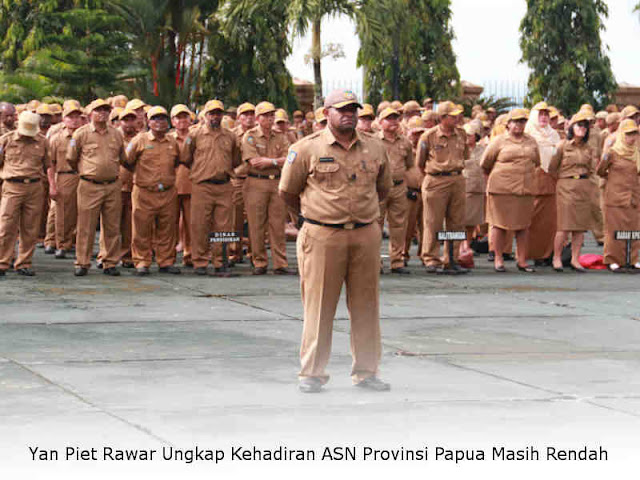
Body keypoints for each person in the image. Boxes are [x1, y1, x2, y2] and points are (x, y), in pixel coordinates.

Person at [279, 88, 392, 393]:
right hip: (322, 234)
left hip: (365, 234)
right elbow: (287, 192)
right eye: (341, 109)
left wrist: (368, 217)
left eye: (353, 109)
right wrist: (304, 221)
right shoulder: (306, 148)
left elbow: (384, 189)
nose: (349, 114)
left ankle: (367, 372)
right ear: (325, 113)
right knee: (319, 307)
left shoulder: (375, 147)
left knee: (366, 306)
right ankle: (312, 373)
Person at [67, 99, 127, 277]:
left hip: (112, 185)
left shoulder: (116, 134)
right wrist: (85, 172)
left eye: (106, 110)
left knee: (112, 226)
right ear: (90, 113)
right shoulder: (81, 134)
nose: (103, 113)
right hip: (89, 185)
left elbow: (123, 158)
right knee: (86, 226)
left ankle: (109, 262)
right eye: (98, 110)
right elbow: (71, 158)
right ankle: (82, 262)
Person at [182, 99, 242, 275]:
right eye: (212, 113)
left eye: (218, 113)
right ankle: (200, 262)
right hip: (202, 186)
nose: (215, 117)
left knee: (223, 228)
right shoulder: (194, 135)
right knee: (199, 225)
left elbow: (236, 159)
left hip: (224, 186)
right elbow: (186, 158)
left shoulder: (230, 136)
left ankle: (220, 262)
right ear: (205, 115)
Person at [480, 109, 541, 273]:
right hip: (502, 190)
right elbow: (485, 164)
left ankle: (521, 260)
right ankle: (498, 258)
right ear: (508, 124)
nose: (519, 125)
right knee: (499, 225)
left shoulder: (531, 141)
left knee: (523, 226)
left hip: (524, 190)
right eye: (515, 121)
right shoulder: (499, 141)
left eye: (522, 121)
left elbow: (536, 162)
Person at [125, 106, 181, 275]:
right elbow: (127, 161)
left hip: (167, 192)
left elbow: (177, 162)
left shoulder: (172, 142)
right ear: (148, 122)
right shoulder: (139, 140)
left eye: (163, 118)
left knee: (167, 229)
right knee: (142, 229)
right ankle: (142, 261)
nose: (159, 122)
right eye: (155, 119)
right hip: (144, 192)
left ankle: (165, 261)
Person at [416, 100, 469, 273]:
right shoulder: (429, 136)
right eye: (453, 116)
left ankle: (451, 259)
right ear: (442, 118)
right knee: (433, 222)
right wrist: (432, 179)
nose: (457, 118)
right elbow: (420, 163)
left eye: (457, 115)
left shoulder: (461, 134)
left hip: (457, 179)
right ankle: (431, 258)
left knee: (456, 222)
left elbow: (465, 155)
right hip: (436, 180)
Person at [241, 101, 293, 275]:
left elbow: (290, 160)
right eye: (265, 116)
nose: (270, 119)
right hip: (256, 183)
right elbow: (255, 163)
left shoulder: (281, 136)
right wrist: (277, 162)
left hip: (277, 183)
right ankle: (259, 262)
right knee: (256, 224)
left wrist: (270, 161)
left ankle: (280, 263)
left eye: (272, 115)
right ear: (257, 118)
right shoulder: (250, 136)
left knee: (278, 224)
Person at [0, 111, 53, 276]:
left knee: (30, 227)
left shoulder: (43, 142)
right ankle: (3, 262)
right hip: (12, 186)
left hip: (34, 187)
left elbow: (48, 165)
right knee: (6, 226)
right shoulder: (6, 140)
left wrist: (52, 186)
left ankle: (24, 262)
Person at [548, 112, 595, 272]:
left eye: (585, 126)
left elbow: (591, 169)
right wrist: (563, 181)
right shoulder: (562, 146)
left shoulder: (588, 148)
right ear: (572, 127)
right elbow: (552, 168)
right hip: (566, 185)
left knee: (580, 226)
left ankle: (575, 259)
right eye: (579, 125)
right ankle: (557, 258)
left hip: (583, 186)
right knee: (564, 225)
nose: (583, 128)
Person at [596, 119, 640, 272]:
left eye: (634, 133)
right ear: (622, 134)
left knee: (634, 229)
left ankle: (633, 259)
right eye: (629, 134)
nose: (632, 137)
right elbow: (600, 171)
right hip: (615, 196)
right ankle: (613, 259)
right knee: (614, 229)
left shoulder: (637, 153)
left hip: (633, 196)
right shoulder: (612, 153)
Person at [376, 107, 413, 273]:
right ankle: (375, 262)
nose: (393, 122)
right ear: (380, 122)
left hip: (399, 187)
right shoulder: (373, 141)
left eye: (395, 118)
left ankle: (397, 261)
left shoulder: (405, 142)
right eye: (389, 118)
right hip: (378, 188)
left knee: (399, 225)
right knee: (375, 225)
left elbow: (410, 165)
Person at [46, 102, 84, 259]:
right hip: (65, 176)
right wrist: (52, 185)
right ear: (63, 119)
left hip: (84, 177)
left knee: (84, 213)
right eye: (70, 117)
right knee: (63, 213)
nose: (74, 120)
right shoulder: (56, 139)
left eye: (77, 117)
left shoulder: (86, 135)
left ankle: (78, 245)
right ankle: (62, 244)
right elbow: (50, 164)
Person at [525, 102, 560, 266]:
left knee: (550, 220)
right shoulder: (528, 133)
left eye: (546, 114)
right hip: (533, 179)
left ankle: (546, 254)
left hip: (552, 180)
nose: (544, 117)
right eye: (541, 114)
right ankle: (527, 253)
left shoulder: (554, 135)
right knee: (532, 219)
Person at [229, 102, 256, 265]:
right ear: (239, 118)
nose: (249, 117)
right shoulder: (231, 135)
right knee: (235, 219)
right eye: (245, 114)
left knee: (256, 220)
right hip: (237, 180)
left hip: (256, 179)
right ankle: (234, 252)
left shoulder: (261, 134)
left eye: (252, 114)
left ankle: (255, 253)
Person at [169, 104, 193, 267]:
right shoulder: (167, 139)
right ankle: (167, 257)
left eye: (185, 117)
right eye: (178, 117)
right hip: (171, 186)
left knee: (192, 224)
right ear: (172, 121)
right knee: (169, 224)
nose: (182, 121)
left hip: (192, 186)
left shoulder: (197, 136)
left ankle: (190, 255)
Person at [403, 116, 427, 265]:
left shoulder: (426, 147)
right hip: (409, 191)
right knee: (407, 227)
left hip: (426, 191)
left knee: (427, 226)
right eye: (415, 133)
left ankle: (426, 254)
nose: (417, 137)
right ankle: (402, 254)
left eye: (420, 133)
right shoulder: (404, 148)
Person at [461, 121, 486, 258]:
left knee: (472, 221)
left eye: (470, 135)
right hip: (462, 187)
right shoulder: (459, 149)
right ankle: (460, 245)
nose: (467, 137)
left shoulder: (482, 149)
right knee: (460, 220)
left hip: (477, 188)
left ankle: (468, 244)